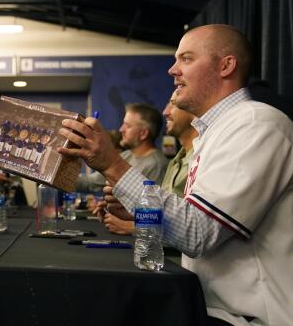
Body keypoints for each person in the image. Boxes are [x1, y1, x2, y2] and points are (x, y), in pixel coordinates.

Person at [59, 24, 293, 326]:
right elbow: (191, 218)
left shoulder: (256, 124)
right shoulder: (218, 131)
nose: (172, 70)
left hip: (248, 318)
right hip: (212, 307)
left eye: (186, 58)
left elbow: (198, 233)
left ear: (226, 65)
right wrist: (139, 211)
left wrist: (113, 164)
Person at [101, 91, 198, 235]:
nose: (165, 112)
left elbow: (194, 230)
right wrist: (131, 211)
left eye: (173, 104)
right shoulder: (177, 160)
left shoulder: (198, 159)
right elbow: (166, 216)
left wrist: (132, 227)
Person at [76, 103, 168, 194]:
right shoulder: (126, 155)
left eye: (127, 126)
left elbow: (150, 205)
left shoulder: (156, 166)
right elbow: (91, 182)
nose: (121, 129)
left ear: (143, 133)